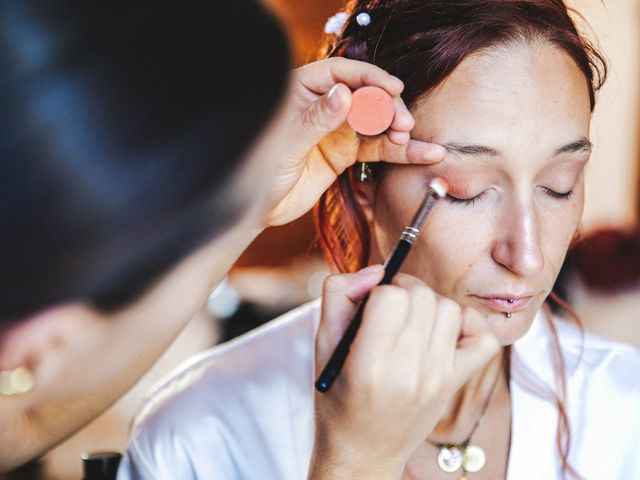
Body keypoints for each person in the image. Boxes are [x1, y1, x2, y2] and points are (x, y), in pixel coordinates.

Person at [118, 1, 640, 479]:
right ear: (363, 181)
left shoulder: (626, 409)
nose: (528, 255)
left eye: (559, 186)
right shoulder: (199, 436)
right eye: (466, 192)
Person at [0, 0, 446, 472]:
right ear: (39, 347)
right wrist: (358, 459)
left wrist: (250, 205)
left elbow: (25, 422)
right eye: (465, 194)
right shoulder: (188, 434)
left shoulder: (24, 369)